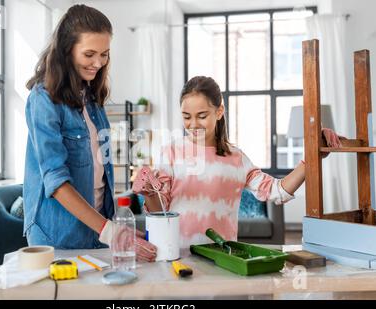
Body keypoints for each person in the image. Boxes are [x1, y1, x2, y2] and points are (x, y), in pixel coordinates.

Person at [132, 76, 342, 249]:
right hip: (176, 253)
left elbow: (277, 191)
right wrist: (149, 193)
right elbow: (161, 210)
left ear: (219, 112)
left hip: (223, 256)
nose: (193, 124)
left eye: (202, 115)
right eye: (186, 117)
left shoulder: (236, 158)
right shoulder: (171, 152)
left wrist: (312, 157)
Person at [23, 4, 156, 261]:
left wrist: (115, 226)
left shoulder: (92, 99)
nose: (98, 63)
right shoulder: (43, 99)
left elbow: (99, 175)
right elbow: (56, 181)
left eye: (105, 54)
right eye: (89, 54)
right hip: (57, 232)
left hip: (96, 227)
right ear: (66, 50)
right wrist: (112, 232)